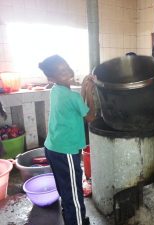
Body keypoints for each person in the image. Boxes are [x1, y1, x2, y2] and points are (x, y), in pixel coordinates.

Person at [39, 55, 95, 225]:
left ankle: (72, 218)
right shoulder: (72, 97)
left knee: (66, 189)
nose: (67, 72)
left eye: (66, 67)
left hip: (53, 148)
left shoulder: (56, 90)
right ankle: (76, 220)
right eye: (61, 71)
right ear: (51, 78)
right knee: (74, 195)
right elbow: (90, 116)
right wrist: (91, 94)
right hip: (66, 152)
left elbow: (79, 108)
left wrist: (85, 88)